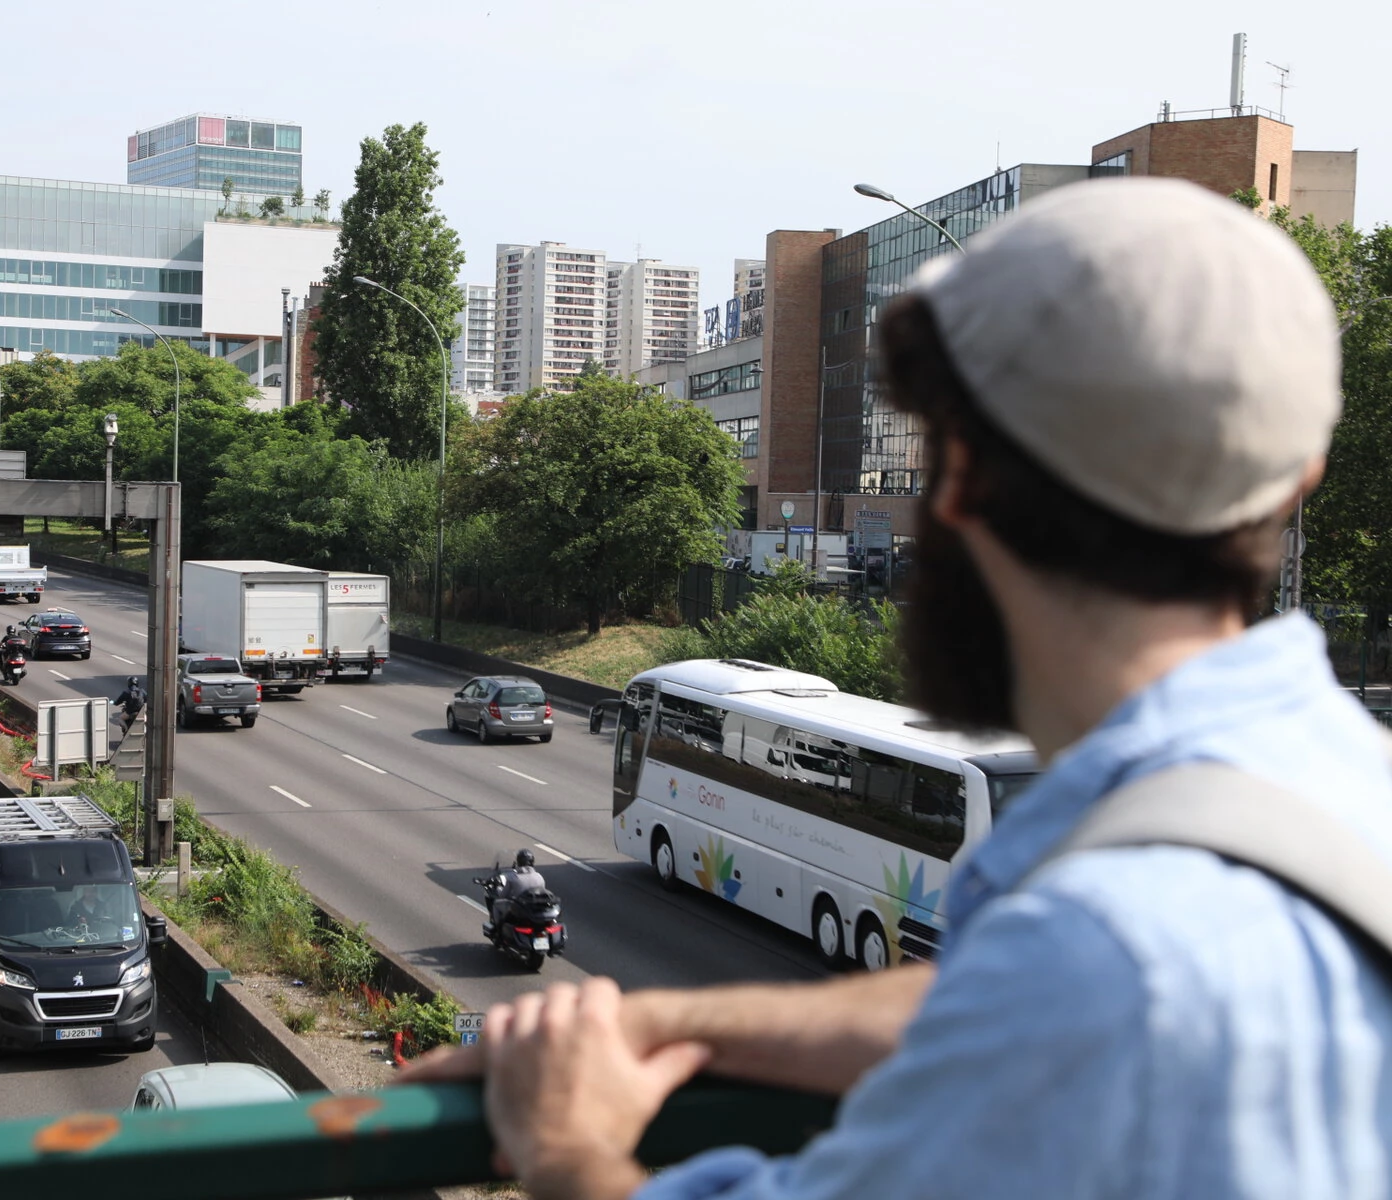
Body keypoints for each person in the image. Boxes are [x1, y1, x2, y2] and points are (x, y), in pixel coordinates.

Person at [404, 178, 1392, 1199]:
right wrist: (664, 1022)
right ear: (1296, 481)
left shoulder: (1108, 955)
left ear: (957, 485)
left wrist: (565, 1145)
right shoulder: (1338, 788)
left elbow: (1071, 991)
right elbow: (994, 1008)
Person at [486, 848, 548, 928]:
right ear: (532, 862)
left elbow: (503, 895)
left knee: (496, 904)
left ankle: (497, 928)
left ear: (518, 862)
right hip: (536, 909)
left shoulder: (513, 878)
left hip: (520, 909)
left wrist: (498, 889)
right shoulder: (539, 877)